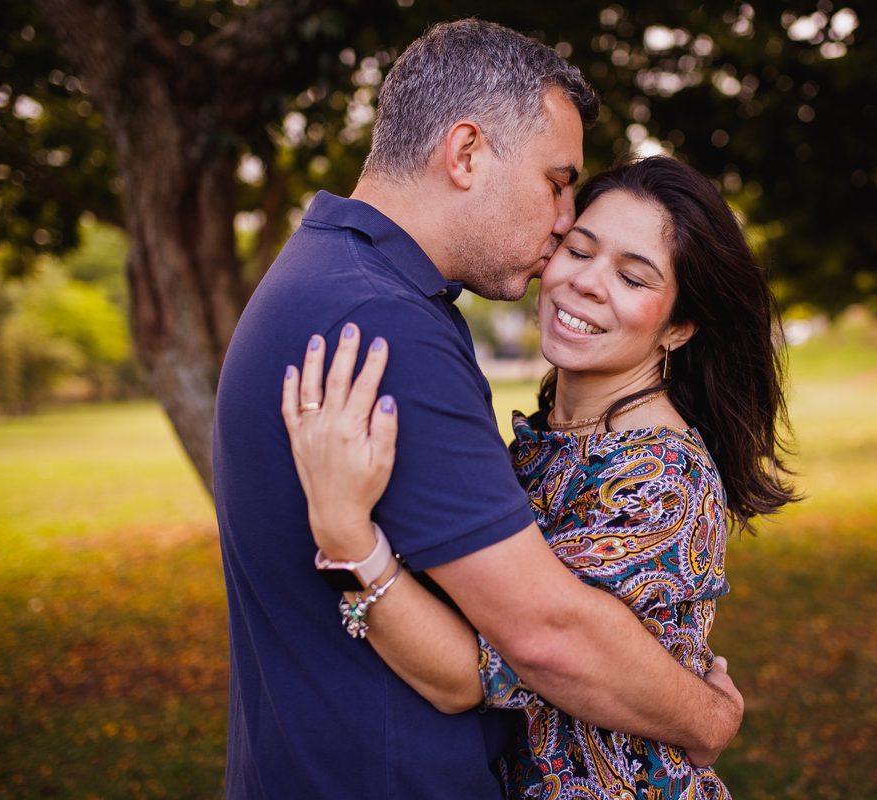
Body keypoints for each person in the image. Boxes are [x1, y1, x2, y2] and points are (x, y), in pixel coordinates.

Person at [213, 20, 745, 799]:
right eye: (558, 183)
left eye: (633, 274)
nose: (563, 221)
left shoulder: (339, 277)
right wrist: (706, 719)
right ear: (466, 153)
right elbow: (542, 637)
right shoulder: (383, 318)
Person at [281, 155, 799, 799]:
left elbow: (472, 673)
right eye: (578, 249)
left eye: (634, 278)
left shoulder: (660, 474)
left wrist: (347, 536)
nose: (586, 283)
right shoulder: (541, 447)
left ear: (680, 326)